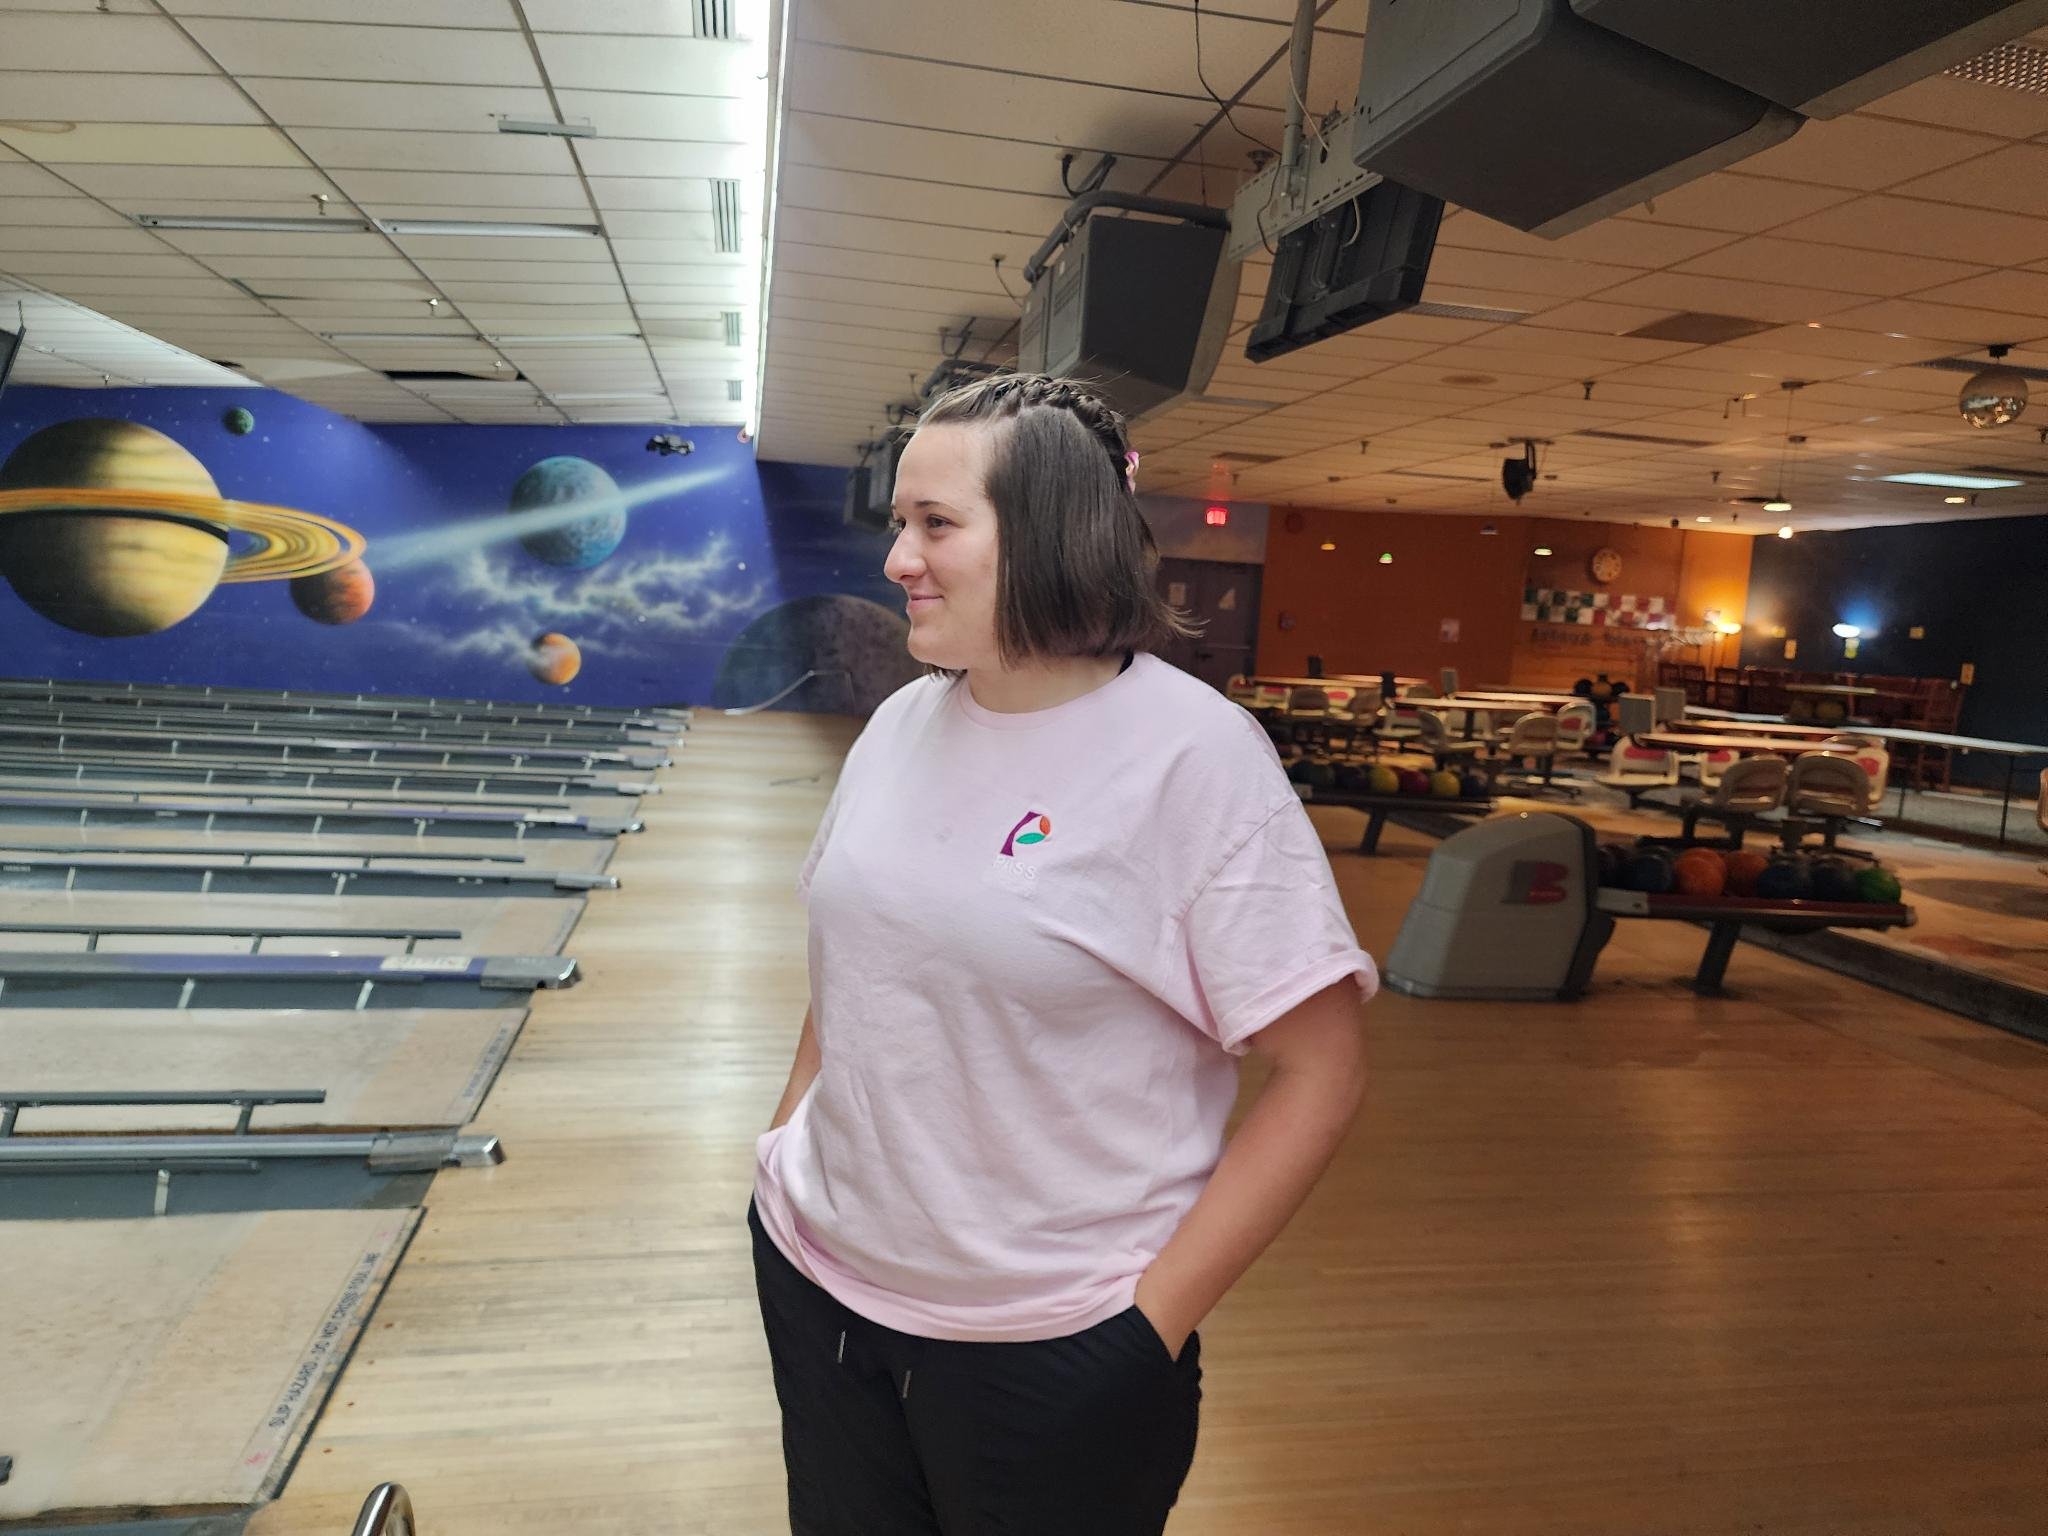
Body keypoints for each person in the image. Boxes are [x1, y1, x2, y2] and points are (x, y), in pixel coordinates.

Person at [750, 373, 1377, 1535]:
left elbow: (1320, 1070)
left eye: (936, 525)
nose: (897, 559)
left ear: (1049, 537)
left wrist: (1147, 1325)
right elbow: (855, 959)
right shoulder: (900, 721)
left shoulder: (1192, 757)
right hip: (819, 1280)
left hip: (1049, 1346)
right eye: (900, 523)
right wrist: (785, 1147)